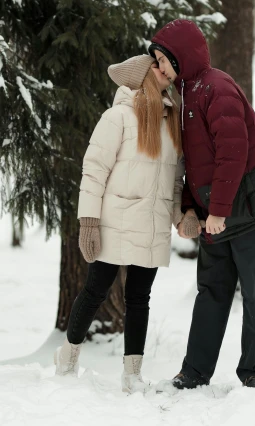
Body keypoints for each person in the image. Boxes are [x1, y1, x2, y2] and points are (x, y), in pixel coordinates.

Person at [148, 19, 255, 390]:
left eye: (163, 59)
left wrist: (219, 211)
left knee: (254, 293)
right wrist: (191, 208)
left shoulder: (217, 87)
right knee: (211, 292)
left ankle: (252, 373)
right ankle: (194, 372)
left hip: (248, 208)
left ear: (182, 57)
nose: (158, 67)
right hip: (215, 212)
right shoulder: (184, 96)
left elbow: (233, 153)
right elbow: (191, 163)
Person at [54, 54, 186, 393]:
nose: (166, 71)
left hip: (152, 223)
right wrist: (89, 222)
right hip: (116, 220)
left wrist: (179, 216)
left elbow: (173, 183)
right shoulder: (118, 117)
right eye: (158, 67)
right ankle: (67, 357)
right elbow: (94, 169)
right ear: (143, 76)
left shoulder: (172, 122)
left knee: (139, 297)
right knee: (96, 290)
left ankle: (132, 375)